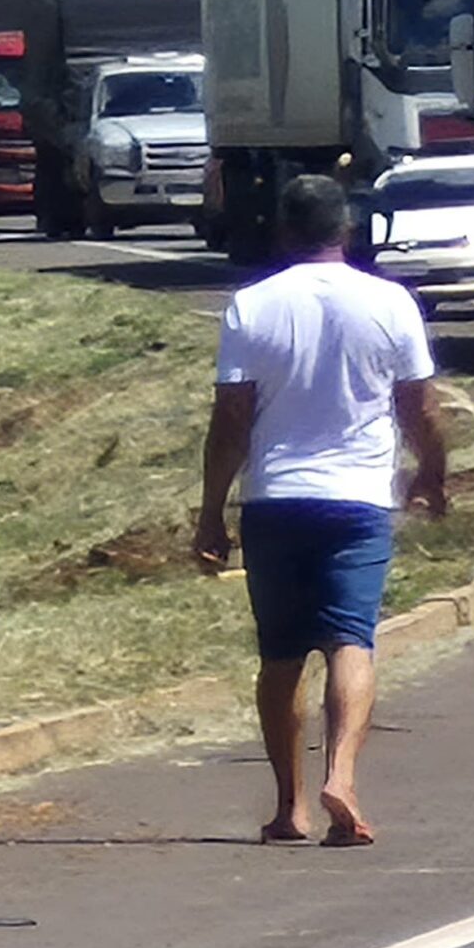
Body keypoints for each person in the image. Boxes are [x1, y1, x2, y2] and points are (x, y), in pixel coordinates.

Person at [191, 174, 450, 847]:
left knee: (280, 655)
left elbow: (231, 421)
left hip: (275, 499)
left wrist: (211, 511)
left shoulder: (251, 306)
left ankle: (290, 807)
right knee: (350, 641)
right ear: (347, 231)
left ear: (283, 230)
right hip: (357, 500)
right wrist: (433, 474)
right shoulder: (390, 303)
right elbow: (420, 407)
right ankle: (343, 775)